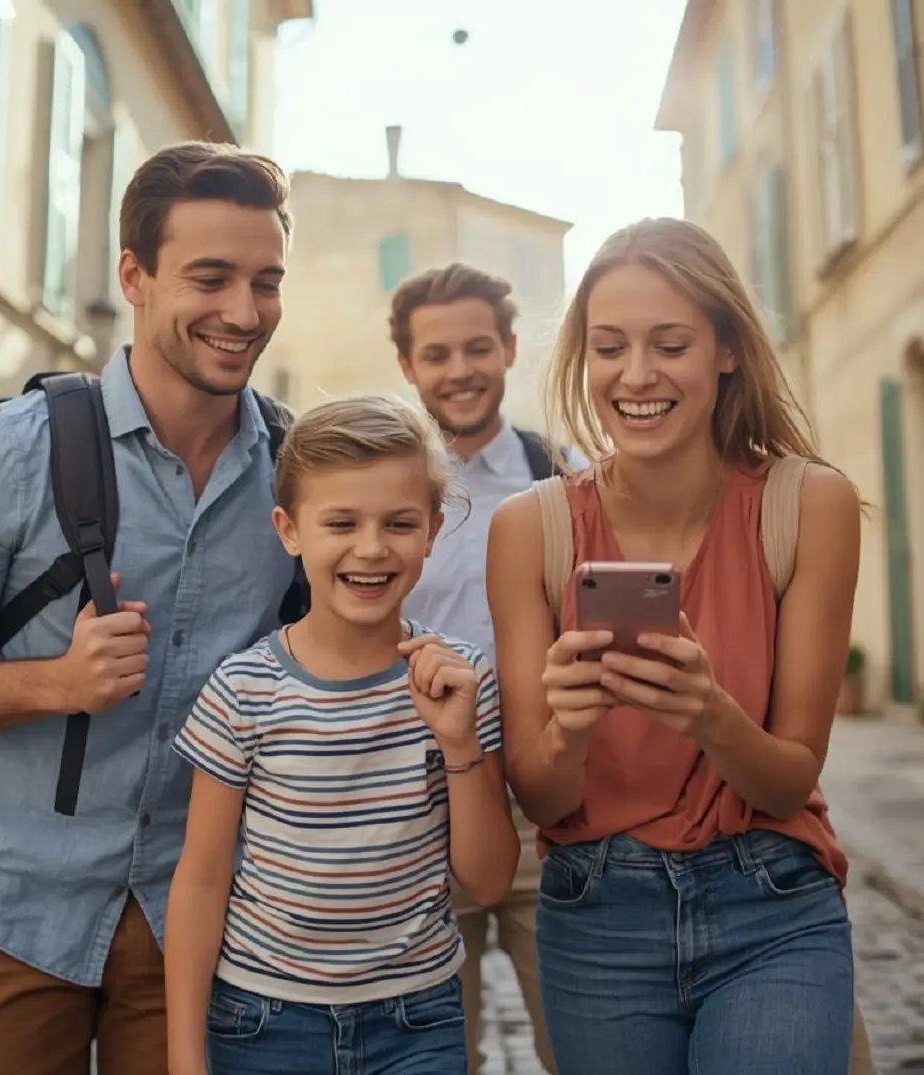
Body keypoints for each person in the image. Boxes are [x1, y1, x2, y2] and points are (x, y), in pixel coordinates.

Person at [0, 141, 299, 1075]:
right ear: (133, 276)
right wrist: (57, 681)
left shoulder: (296, 474)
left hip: (201, 924)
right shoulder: (13, 450)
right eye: (210, 277)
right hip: (15, 911)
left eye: (265, 282)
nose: (242, 312)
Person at [485, 217, 863, 1073]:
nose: (637, 374)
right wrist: (568, 730)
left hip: (771, 902)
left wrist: (710, 714)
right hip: (596, 916)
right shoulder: (529, 529)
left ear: (725, 350)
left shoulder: (809, 505)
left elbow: (789, 775)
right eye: (608, 346)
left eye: (669, 343)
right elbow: (542, 801)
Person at [165, 394, 521, 1075]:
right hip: (263, 1020)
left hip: (416, 1020)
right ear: (289, 529)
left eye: (398, 523)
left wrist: (458, 746)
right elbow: (202, 878)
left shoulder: (461, 679)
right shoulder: (244, 689)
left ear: (432, 530)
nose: (370, 547)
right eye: (340, 522)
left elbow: (489, 877)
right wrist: (185, 1057)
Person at [389, 262, 562, 1074]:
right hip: (413, 809)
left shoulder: (561, 479)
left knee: (579, 1043)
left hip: (543, 809)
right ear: (407, 366)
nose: (458, 370)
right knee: (434, 1054)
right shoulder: (381, 490)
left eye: (476, 348)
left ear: (509, 350)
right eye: (436, 354)